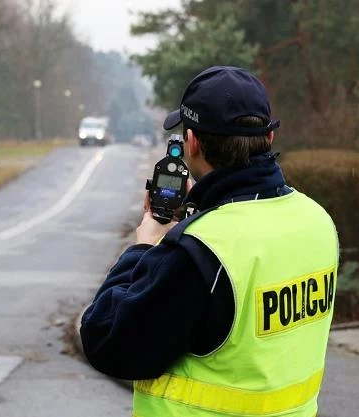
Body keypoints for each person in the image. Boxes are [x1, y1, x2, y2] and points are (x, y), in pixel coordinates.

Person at [80, 66, 339, 417]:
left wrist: (144, 248)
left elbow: (106, 341)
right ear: (269, 139)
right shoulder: (317, 221)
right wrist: (201, 213)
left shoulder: (199, 251)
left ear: (192, 143)